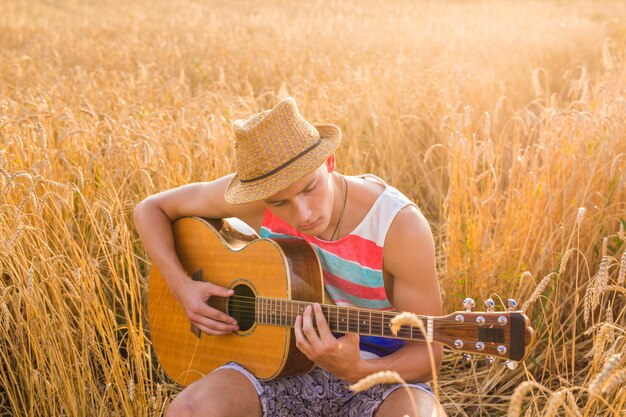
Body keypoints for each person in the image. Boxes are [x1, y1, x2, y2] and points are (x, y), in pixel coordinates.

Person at [134, 97, 445, 417]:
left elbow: (430, 352)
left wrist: (358, 369)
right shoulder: (259, 200)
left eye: (310, 188)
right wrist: (182, 286)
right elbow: (150, 209)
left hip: (380, 376)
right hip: (276, 366)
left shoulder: (399, 227)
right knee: (188, 411)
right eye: (280, 203)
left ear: (330, 162)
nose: (303, 213)